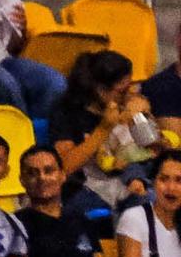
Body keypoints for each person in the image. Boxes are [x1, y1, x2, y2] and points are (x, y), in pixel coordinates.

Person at [49, 50, 155, 208]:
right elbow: (65, 166)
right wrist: (104, 129)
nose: (127, 95)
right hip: (82, 188)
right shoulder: (67, 112)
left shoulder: (125, 106)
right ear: (100, 89)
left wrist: (143, 119)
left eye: (130, 88)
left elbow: (151, 148)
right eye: (122, 91)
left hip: (127, 181)